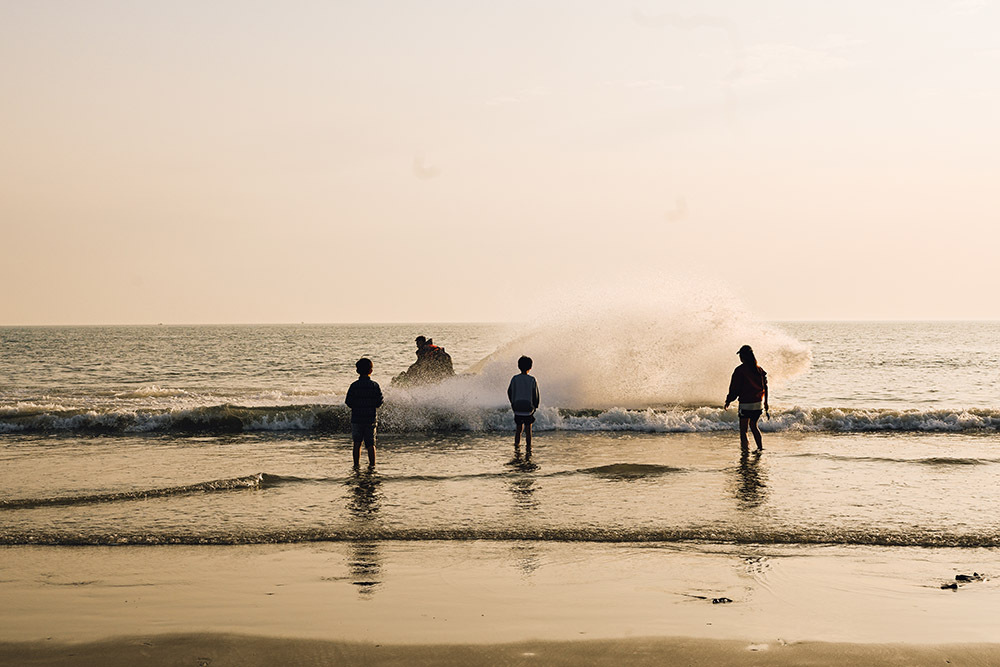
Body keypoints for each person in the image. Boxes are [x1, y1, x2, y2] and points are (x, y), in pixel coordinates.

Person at [724, 345, 769, 451]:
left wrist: (728, 400)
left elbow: (734, 388)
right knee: (754, 426)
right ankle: (760, 448)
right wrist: (766, 402)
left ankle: (745, 452)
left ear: (743, 357)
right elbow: (765, 387)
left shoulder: (740, 370)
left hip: (745, 404)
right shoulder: (759, 370)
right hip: (758, 404)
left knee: (743, 430)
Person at [345, 357, 383, 468]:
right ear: (371, 371)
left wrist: (356, 407)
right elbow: (379, 402)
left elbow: (348, 402)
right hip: (370, 417)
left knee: (357, 443)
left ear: (357, 371)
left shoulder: (354, 385)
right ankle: (372, 465)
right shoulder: (374, 385)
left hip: (357, 418)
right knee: (371, 444)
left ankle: (356, 465)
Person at [507, 355, 540, 459]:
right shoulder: (532, 379)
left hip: (517, 406)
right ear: (530, 367)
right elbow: (535, 394)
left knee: (518, 429)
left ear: (518, 366)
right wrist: (535, 406)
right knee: (528, 430)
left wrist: (513, 403)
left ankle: (517, 447)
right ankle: (528, 448)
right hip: (528, 407)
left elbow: (509, 391)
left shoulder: (515, 378)